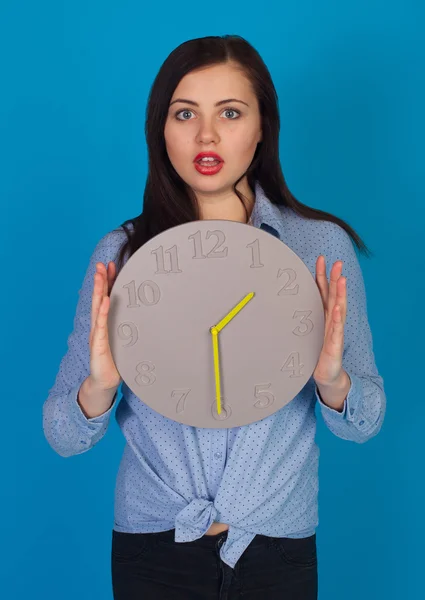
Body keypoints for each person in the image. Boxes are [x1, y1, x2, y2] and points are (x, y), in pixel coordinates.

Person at [43, 34, 386, 599]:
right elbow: (61, 432)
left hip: (278, 547)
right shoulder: (122, 256)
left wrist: (332, 383)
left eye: (230, 112)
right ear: (162, 129)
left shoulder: (319, 249)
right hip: (154, 547)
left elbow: (366, 420)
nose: (207, 135)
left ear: (261, 128)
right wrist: (99, 388)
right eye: (185, 114)